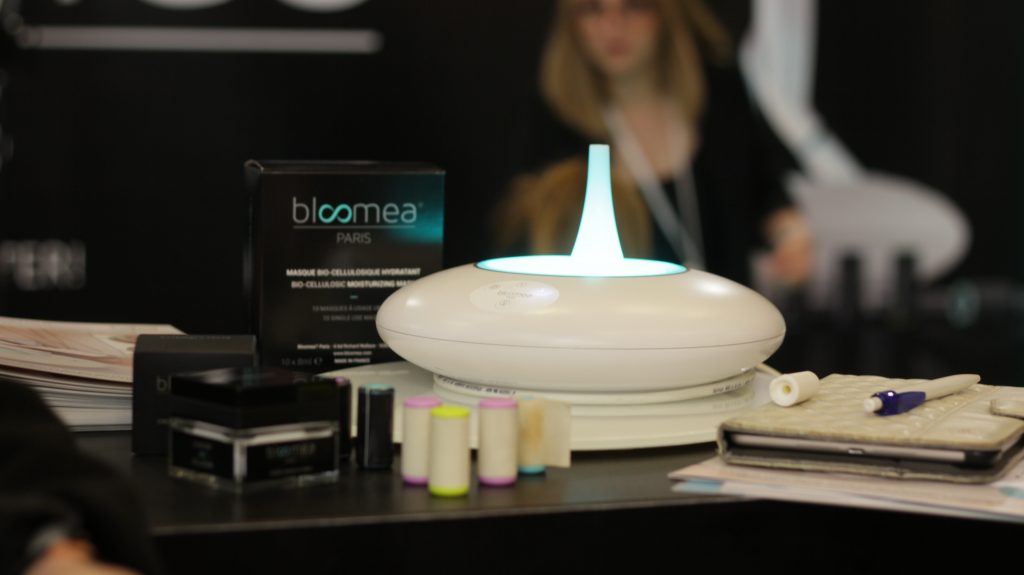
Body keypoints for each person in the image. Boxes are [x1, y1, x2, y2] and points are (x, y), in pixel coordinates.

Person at [494, 0, 812, 287]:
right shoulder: (555, 125)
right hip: (620, 326)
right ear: (571, 23)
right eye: (593, 9)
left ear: (665, 11)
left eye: (633, 6)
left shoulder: (719, 94)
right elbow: (526, 245)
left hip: (724, 319)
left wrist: (789, 236)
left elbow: (766, 188)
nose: (613, 27)